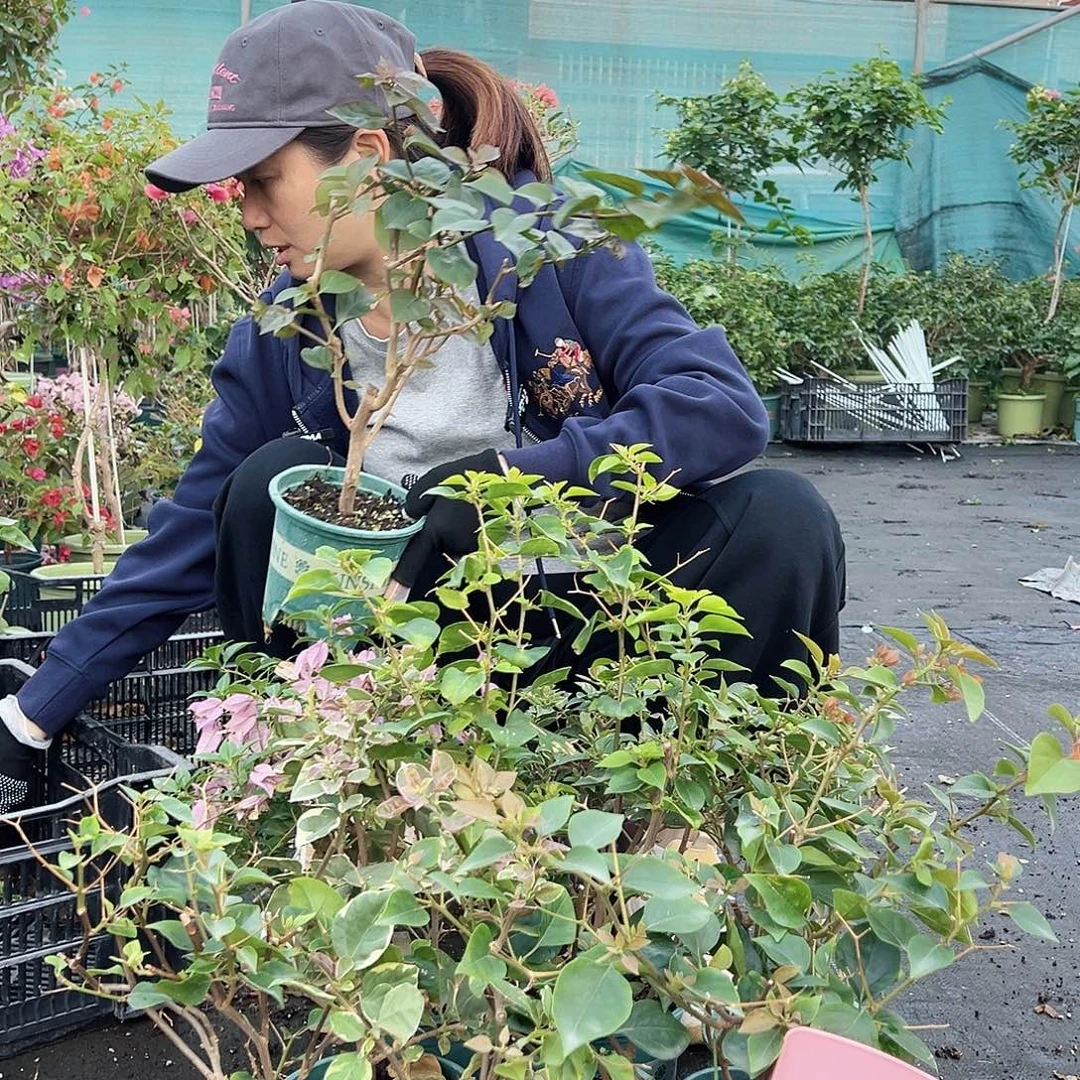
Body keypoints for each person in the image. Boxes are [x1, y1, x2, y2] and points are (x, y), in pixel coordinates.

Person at [0, 0, 845, 814]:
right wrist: (36, 709)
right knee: (268, 481)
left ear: (368, 152)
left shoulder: (549, 250)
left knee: (781, 516)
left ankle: (675, 816)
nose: (250, 216)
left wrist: (510, 486)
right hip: (403, 652)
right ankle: (332, 794)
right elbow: (191, 526)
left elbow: (719, 407)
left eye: (264, 181)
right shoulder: (285, 328)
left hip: (596, 626)